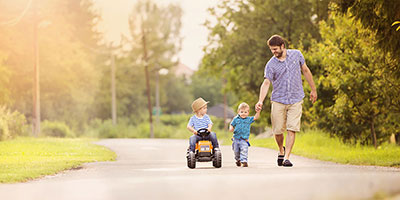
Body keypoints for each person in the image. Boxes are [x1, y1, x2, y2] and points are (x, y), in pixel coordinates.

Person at [255, 35, 317, 167]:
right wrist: (260, 100)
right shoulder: (271, 64)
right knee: (277, 131)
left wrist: (313, 89)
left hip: (296, 98)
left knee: (291, 128)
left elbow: (305, 70)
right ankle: (281, 150)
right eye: (271, 49)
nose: (274, 52)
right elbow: (266, 83)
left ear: (283, 46)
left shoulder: (296, 55)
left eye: (275, 49)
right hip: (278, 100)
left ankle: (287, 157)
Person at [229, 102, 260, 167]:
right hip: (236, 139)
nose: (243, 113)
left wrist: (258, 112)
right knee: (236, 151)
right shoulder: (236, 119)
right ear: (238, 112)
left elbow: (255, 117)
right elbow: (231, 124)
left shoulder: (248, 119)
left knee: (244, 149)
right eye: (242, 112)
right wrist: (231, 128)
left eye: (245, 112)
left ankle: (244, 161)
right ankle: (238, 160)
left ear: (248, 113)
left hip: (244, 139)